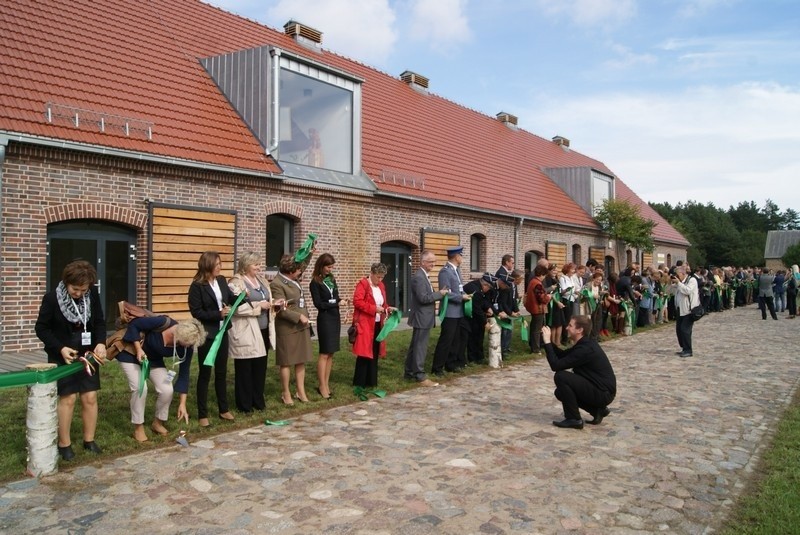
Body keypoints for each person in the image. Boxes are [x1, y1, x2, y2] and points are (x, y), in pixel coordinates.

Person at [35, 260, 108, 460]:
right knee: (68, 398)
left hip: (87, 354)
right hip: (63, 354)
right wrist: (60, 348)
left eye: (84, 289)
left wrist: (101, 343)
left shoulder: (92, 294)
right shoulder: (51, 299)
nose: (79, 293)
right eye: (75, 289)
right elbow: (41, 328)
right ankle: (64, 444)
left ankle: (89, 440)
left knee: (90, 397)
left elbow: (100, 322)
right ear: (66, 283)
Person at [117, 316, 206, 441]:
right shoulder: (163, 322)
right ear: (178, 335)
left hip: (153, 360)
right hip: (131, 354)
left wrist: (182, 404)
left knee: (167, 390)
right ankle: (138, 428)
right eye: (184, 344)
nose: (186, 348)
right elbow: (134, 325)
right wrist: (138, 349)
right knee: (140, 388)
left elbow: (184, 373)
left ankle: (157, 423)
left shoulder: (187, 347)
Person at [541, 316, 616, 430]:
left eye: (570, 325)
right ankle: (597, 411)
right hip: (600, 389)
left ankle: (574, 419)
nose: (566, 328)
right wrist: (547, 341)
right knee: (561, 392)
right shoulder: (584, 343)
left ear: (579, 330)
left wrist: (547, 342)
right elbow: (562, 356)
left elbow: (556, 366)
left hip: (603, 393)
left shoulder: (585, 349)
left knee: (561, 376)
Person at [188, 251, 236, 426]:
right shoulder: (197, 286)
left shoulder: (222, 280)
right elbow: (196, 312)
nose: (220, 267)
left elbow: (230, 298)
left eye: (220, 264)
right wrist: (218, 314)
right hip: (207, 334)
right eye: (217, 264)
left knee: (222, 372)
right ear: (207, 266)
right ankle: (203, 414)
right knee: (205, 373)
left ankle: (223, 409)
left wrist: (241, 298)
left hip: (223, 331)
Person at [228, 252, 275, 413]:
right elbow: (235, 308)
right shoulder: (236, 282)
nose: (259, 267)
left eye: (259, 264)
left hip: (263, 329)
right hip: (246, 330)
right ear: (246, 265)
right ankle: (244, 404)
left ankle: (258, 400)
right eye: (256, 264)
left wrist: (274, 303)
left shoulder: (261, 280)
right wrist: (258, 306)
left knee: (260, 367)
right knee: (245, 368)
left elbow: (267, 299)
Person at [270, 254, 313, 405]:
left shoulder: (293, 278)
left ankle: (300, 391)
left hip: (301, 325)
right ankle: (286, 392)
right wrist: (298, 317)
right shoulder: (277, 283)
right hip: (287, 326)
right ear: (290, 271)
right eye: (298, 270)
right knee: (286, 361)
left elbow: (303, 265)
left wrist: (310, 253)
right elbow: (279, 308)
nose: (301, 272)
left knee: (301, 359)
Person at [405, 250, 448, 386]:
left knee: (415, 346)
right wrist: (439, 294)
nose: (433, 264)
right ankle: (420, 375)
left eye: (434, 262)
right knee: (420, 347)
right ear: (423, 262)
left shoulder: (424, 275)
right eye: (430, 262)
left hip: (424, 317)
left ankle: (409, 372)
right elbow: (423, 298)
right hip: (421, 317)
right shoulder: (419, 277)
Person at [310, 253, 349, 399]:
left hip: (335, 317)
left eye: (332, 267)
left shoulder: (331, 279)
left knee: (331, 352)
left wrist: (342, 300)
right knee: (324, 352)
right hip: (325, 318)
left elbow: (334, 297)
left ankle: (326, 383)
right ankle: (321, 385)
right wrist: (335, 303)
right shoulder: (315, 282)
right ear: (321, 265)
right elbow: (319, 304)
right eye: (328, 266)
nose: (330, 269)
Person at [352, 263, 395, 389]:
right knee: (364, 352)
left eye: (382, 277)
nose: (380, 280)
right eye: (378, 277)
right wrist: (373, 309)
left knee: (375, 351)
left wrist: (388, 309)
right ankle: (359, 382)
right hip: (365, 323)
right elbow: (357, 302)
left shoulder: (381, 286)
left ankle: (371, 381)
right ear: (372, 273)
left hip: (377, 323)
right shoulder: (363, 284)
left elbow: (383, 303)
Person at [432, 246, 472, 376]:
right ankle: (437, 367)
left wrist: (466, 295)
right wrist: (461, 297)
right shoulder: (445, 272)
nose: (462, 258)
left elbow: (459, 288)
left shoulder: (456, 270)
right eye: (461, 255)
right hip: (450, 312)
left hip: (459, 311)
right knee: (446, 339)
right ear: (456, 256)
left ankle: (451, 363)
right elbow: (446, 293)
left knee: (456, 340)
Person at [462, 273, 496, 365]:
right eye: (489, 288)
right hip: (468, 315)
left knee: (479, 335)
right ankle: (473, 358)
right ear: (485, 285)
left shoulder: (479, 288)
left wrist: (488, 307)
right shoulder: (475, 290)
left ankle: (479, 356)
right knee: (473, 336)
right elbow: (476, 308)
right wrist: (485, 322)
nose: (488, 290)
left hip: (475, 314)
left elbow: (484, 300)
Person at [671, 265, 700, 357]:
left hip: (689, 310)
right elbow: (672, 289)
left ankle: (688, 350)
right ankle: (684, 347)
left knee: (685, 330)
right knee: (679, 330)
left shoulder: (692, 280)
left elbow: (687, 291)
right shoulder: (680, 282)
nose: (676, 276)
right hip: (680, 309)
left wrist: (679, 283)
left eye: (677, 274)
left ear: (683, 273)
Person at [524, 264, 551, 354]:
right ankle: (535, 349)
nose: (544, 277)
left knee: (534, 328)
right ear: (542, 274)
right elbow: (541, 297)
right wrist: (548, 297)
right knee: (537, 329)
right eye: (544, 275)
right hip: (537, 309)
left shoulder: (532, 281)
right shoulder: (537, 284)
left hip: (534, 308)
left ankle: (533, 345)